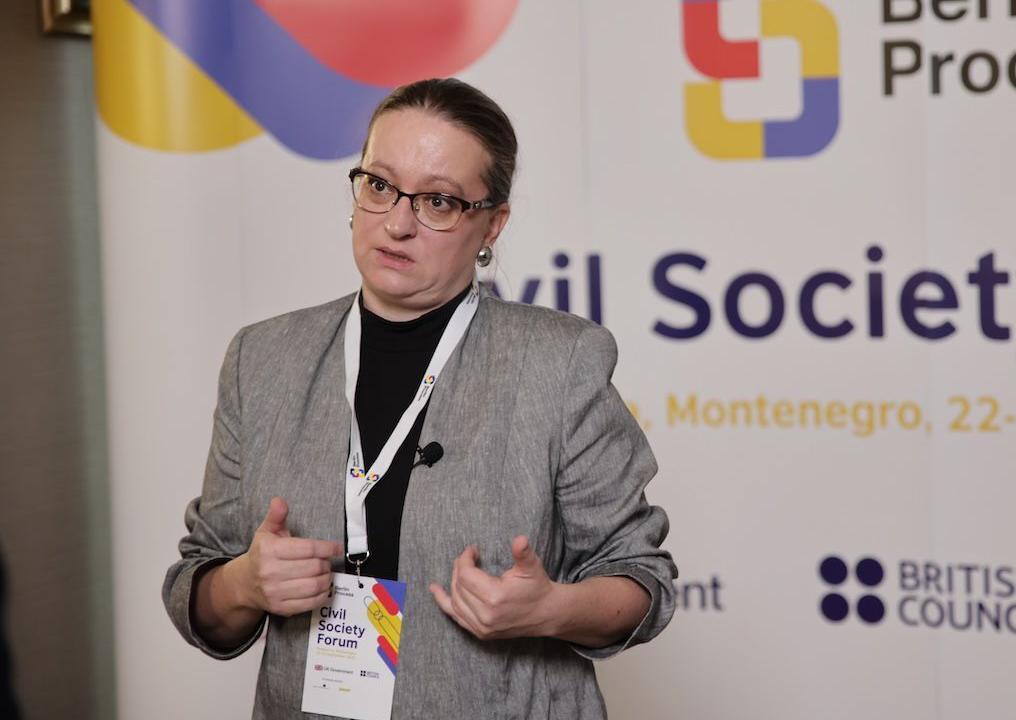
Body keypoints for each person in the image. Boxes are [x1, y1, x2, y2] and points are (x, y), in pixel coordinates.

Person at [162, 78, 676, 719]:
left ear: (492, 224)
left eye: (438, 201)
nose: (398, 223)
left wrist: (551, 609)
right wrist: (243, 584)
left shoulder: (560, 362)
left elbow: (642, 580)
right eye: (379, 185)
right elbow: (199, 591)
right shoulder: (262, 359)